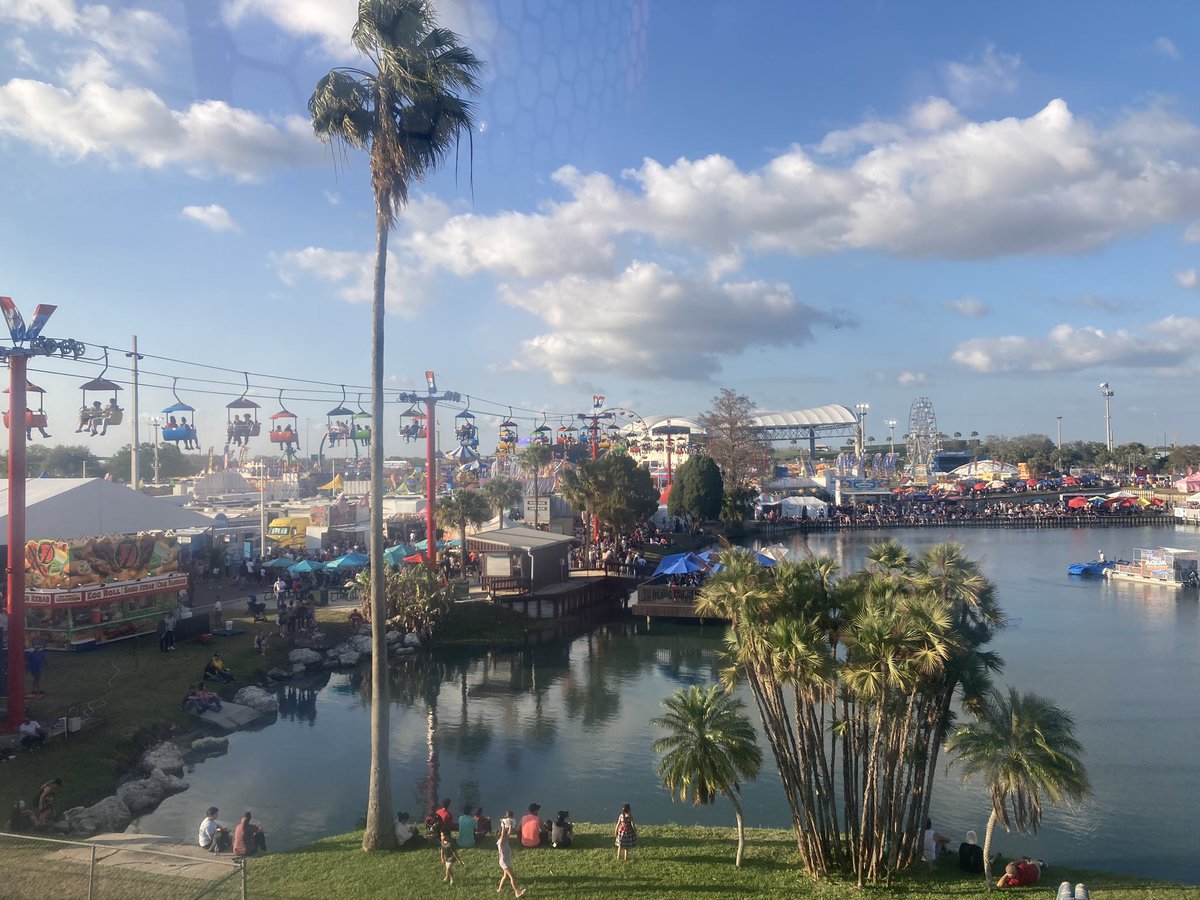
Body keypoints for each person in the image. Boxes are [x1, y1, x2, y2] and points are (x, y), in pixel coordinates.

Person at [495, 819, 525, 897]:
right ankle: (517, 892)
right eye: (504, 835)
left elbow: (509, 833)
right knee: (512, 877)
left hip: (506, 861)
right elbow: (502, 835)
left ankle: (500, 889)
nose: (506, 835)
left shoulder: (505, 840)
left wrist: (510, 824)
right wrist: (503, 825)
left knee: (505, 876)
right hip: (504, 863)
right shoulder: (500, 843)